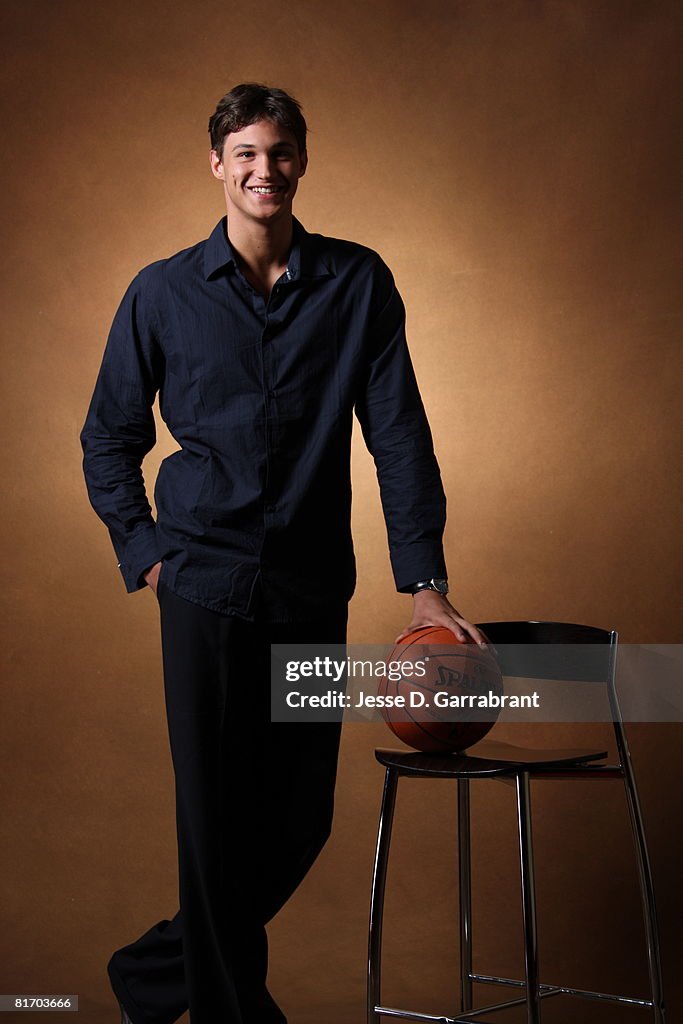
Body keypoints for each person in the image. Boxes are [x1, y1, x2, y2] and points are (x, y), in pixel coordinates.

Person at [80, 83, 486, 1024]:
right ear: (217, 165)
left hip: (307, 593)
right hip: (202, 590)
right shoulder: (161, 291)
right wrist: (144, 553)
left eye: (282, 152)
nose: (265, 169)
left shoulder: (357, 283)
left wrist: (425, 584)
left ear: (303, 160)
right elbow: (108, 437)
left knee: (299, 820)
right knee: (214, 825)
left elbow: (399, 436)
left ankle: (150, 976)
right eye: (247, 154)